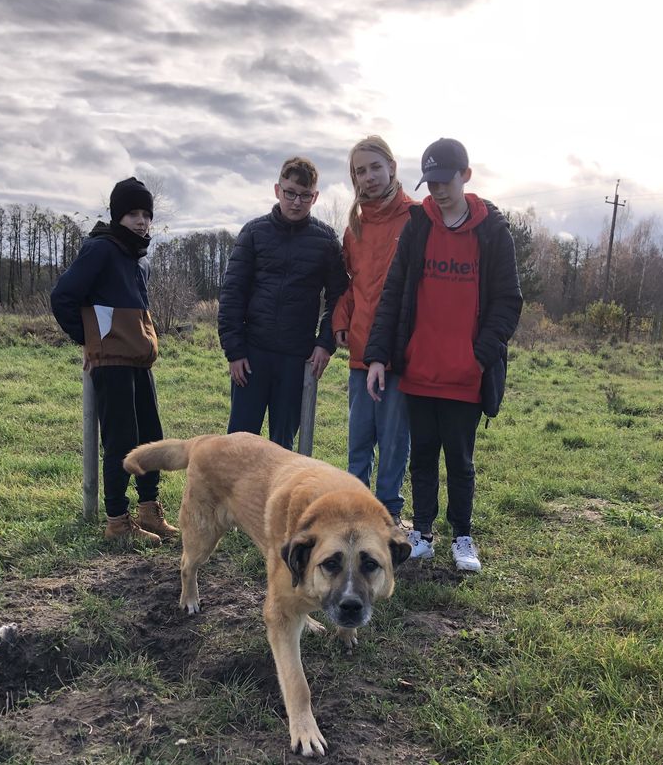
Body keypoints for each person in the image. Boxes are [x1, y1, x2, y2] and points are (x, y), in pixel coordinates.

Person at [364, 139, 522, 572]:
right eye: (430, 182)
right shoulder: (419, 225)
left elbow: (508, 301)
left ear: (465, 176)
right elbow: (393, 293)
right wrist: (379, 355)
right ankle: (424, 534)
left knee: (461, 459)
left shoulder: (492, 231)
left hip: (466, 375)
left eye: (445, 180)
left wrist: (479, 356)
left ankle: (463, 537)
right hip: (420, 370)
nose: (437, 191)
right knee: (423, 457)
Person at [51, 177, 178, 546]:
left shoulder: (139, 261)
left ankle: (149, 510)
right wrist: (90, 341)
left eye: (146, 215)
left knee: (150, 437)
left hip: (140, 363)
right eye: (133, 214)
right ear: (117, 216)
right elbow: (62, 297)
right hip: (112, 364)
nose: (141, 221)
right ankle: (117, 522)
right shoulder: (101, 250)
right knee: (121, 441)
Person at [218, 156, 348, 450]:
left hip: (296, 359)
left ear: (314, 197)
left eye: (305, 195)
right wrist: (234, 350)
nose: (296, 202)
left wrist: (325, 343)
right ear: (278, 190)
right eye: (290, 193)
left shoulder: (326, 241)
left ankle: (279, 498)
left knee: (283, 448)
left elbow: (339, 296)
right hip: (251, 357)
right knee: (238, 446)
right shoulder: (253, 233)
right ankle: (236, 499)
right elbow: (232, 293)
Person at [332, 136, 415, 526]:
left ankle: (388, 514)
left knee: (395, 437)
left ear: (392, 167)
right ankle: (354, 509)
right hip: (361, 350)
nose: (368, 177)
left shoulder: (417, 219)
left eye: (374, 167)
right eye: (359, 171)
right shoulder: (354, 228)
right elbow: (353, 285)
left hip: (401, 351)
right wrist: (340, 319)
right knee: (360, 436)